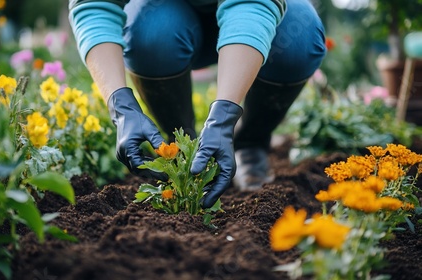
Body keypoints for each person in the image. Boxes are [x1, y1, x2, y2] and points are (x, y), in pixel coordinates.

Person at [68, 0, 326, 208]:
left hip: (257, 18)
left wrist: (223, 118)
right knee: (149, 34)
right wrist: (121, 107)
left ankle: (250, 143)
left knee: (300, 39)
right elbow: (94, 5)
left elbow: (251, 4)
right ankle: (185, 149)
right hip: (169, 17)